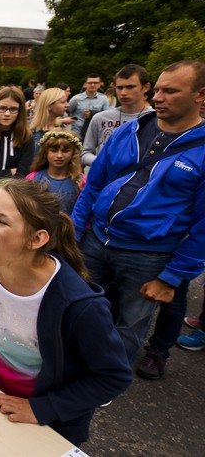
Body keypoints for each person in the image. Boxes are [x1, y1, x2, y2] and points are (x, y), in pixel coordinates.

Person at [0, 179, 132, 446]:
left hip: (51, 423)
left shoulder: (80, 306)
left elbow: (113, 376)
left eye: (1, 221)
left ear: (37, 238)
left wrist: (43, 408)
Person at [72, 60, 205, 380]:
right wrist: (74, 230)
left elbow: (203, 228)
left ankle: (106, 378)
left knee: (130, 323)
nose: (158, 97)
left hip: (149, 254)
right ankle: (74, 363)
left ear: (201, 95)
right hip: (96, 239)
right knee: (80, 306)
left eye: (171, 91)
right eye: (157, 89)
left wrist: (172, 276)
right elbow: (95, 184)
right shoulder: (129, 131)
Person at [81, 64, 154, 167]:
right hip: (107, 180)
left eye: (130, 87)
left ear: (146, 87)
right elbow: (85, 153)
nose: (123, 93)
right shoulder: (100, 118)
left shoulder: (156, 119)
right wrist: (103, 162)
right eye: (119, 88)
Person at [27, 131, 86, 215]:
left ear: (73, 153)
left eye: (65, 151)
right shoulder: (33, 178)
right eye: (54, 150)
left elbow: (85, 212)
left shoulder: (81, 181)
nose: (59, 155)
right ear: (45, 153)